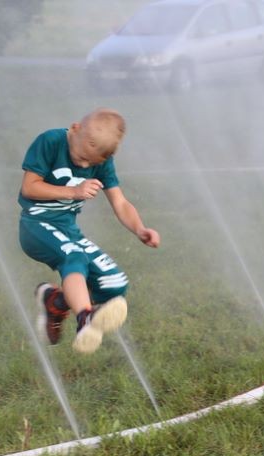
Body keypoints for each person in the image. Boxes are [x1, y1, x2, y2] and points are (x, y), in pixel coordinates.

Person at [17, 108, 160, 354]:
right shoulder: (50, 141)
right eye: (81, 157)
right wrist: (73, 191)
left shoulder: (102, 161)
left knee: (114, 285)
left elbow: (120, 203)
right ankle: (85, 318)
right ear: (75, 128)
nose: (84, 165)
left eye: (91, 163)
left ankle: (56, 302)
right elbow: (30, 188)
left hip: (68, 230)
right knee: (75, 257)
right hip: (35, 225)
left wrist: (140, 228)